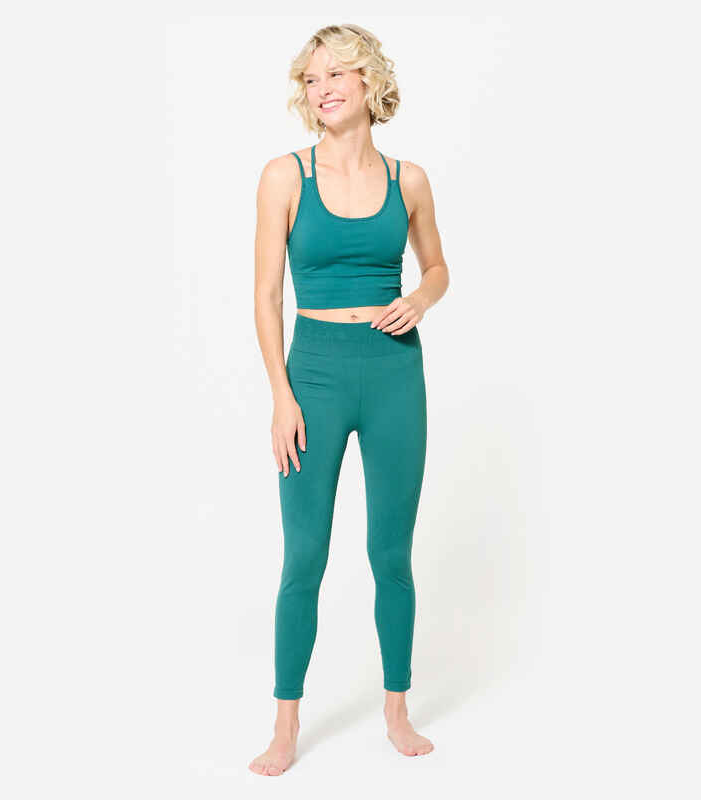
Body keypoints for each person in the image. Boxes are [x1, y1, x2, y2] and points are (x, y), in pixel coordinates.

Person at [251, 23, 450, 776]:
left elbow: (438, 269)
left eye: (337, 73)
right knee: (303, 556)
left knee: (390, 554)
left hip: (396, 372)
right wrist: (282, 394)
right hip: (314, 377)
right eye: (311, 78)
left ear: (370, 81)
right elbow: (267, 296)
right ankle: (285, 725)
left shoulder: (410, 180)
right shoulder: (284, 176)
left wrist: (420, 301)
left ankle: (397, 711)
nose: (323, 88)